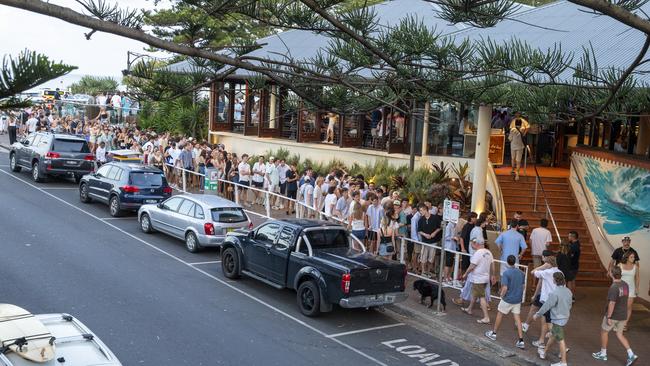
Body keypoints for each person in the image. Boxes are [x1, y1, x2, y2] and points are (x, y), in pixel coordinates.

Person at [592, 267, 638, 366]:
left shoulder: (613, 287)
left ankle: (603, 354)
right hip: (622, 314)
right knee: (620, 334)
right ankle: (631, 354)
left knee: (604, 332)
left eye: (609, 272)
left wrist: (609, 317)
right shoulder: (625, 284)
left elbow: (612, 303)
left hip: (613, 315)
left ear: (612, 274)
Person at [485, 255, 526, 349]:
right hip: (517, 299)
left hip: (508, 298)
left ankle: (494, 333)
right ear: (514, 262)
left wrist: (502, 295)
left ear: (507, 262)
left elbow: (505, 288)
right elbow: (523, 287)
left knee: (500, 314)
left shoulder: (506, 273)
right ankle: (521, 340)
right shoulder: (521, 273)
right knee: (518, 319)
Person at [534, 272, 573, 366]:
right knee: (553, 335)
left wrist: (537, 314)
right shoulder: (568, 291)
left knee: (561, 340)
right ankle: (544, 351)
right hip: (565, 317)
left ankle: (563, 362)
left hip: (557, 319)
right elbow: (570, 305)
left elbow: (546, 306)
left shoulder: (554, 293)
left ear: (555, 280)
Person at [524, 253, 562, 348]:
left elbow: (533, 272)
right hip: (556, 300)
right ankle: (541, 341)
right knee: (546, 321)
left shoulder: (547, 272)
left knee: (549, 325)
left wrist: (543, 266)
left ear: (549, 264)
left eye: (546, 262)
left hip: (547, 301)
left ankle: (562, 345)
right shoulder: (560, 272)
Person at [461, 238, 495, 324]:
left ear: (477, 244)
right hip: (485, 278)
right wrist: (493, 275)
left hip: (478, 278)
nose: (471, 245)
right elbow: (492, 265)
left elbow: (472, 266)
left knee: (481, 297)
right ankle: (469, 309)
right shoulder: (488, 252)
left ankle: (486, 317)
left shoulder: (478, 253)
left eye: (472, 243)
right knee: (475, 294)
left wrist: (465, 274)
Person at [418, 204, 441, 277]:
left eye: (421, 210)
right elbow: (419, 230)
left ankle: (428, 271)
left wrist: (434, 233)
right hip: (424, 241)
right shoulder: (421, 219)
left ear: (425, 210)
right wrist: (425, 234)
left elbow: (439, 227)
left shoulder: (435, 218)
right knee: (423, 257)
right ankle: (423, 271)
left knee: (431, 258)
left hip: (433, 241)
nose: (420, 212)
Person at [619, 251, 640, 329]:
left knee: (628, 306)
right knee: (621, 306)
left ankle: (624, 324)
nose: (633, 258)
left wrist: (637, 288)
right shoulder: (620, 265)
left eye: (634, 257)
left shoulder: (635, 267)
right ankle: (619, 322)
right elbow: (616, 276)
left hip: (631, 289)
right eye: (631, 257)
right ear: (627, 258)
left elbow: (637, 278)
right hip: (622, 288)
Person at [508, 112, 529, 181]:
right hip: (520, 146)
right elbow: (528, 127)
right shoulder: (523, 129)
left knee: (513, 158)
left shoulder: (512, 130)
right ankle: (517, 174)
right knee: (518, 160)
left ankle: (513, 170)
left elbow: (509, 138)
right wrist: (524, 134)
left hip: (513, 145)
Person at [567, 231, 580, 300]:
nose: (568, 237)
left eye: (569, 236)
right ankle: (572, 296)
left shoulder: (574, 246)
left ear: (572, 237)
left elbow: (570, 256)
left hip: (572, 266)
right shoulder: (576, 244)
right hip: (575, 266)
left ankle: (570, 297)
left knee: (570, 281)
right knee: (572, 281)